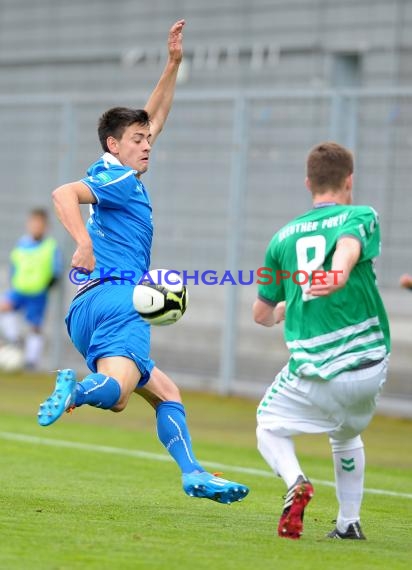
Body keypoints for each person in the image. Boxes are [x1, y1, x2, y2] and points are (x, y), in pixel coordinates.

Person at [37, 20, 249, 505]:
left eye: (147, 138)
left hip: (85, 311)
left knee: (166, 392)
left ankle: (193, 472)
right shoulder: (119, 182)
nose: (148, 144)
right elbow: (62, 193)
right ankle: (74, 392)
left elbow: (152, 117)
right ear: (115, 145)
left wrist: (173, 65)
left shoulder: (113, 170)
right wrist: (82, 244)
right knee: (117, 394)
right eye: (137, 139)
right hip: (119, 299)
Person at [253, 142, 390, 540]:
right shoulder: (361, 214)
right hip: (369, 370)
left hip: (315, 373)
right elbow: (348, 244)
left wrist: (292, 303)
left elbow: (261, 314)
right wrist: (340, 271)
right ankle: (349, 523)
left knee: (268, 426)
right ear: (350, 180)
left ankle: (296, 481)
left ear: (308, 182)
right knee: (346, 431)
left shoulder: (281, 239)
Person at [0, 208, 62, 369]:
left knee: (35, 325)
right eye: (33, 223)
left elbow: (56, 271)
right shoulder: (22, 243)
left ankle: (31, 361)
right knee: (4, 307)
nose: (36, 227)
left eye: (39, 224)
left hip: (37, 293)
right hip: (19, 289)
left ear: (45, 226)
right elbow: (15, 264)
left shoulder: (50, 246)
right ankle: (15, 340)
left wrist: (45, 287)